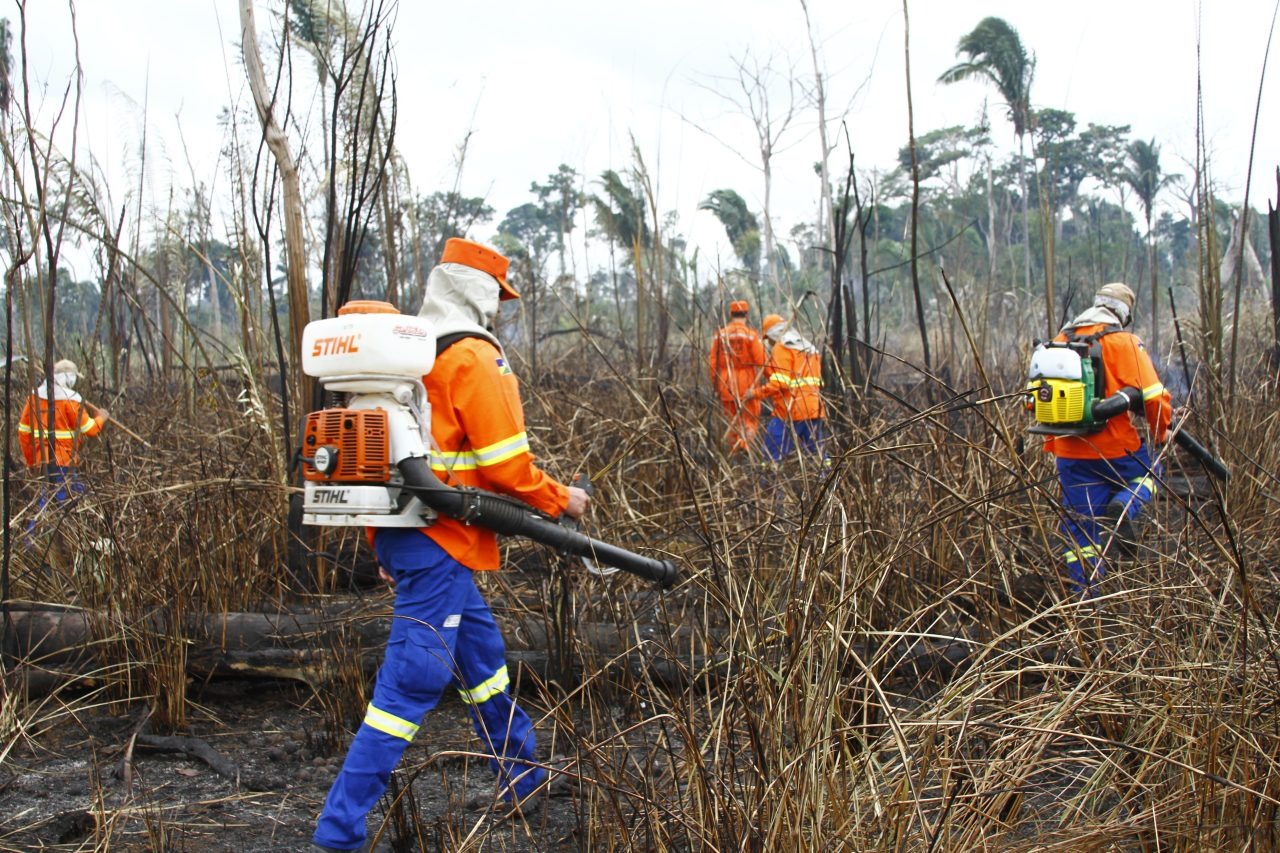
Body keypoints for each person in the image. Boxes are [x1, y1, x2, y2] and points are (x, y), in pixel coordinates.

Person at [313, 238, 590, 853]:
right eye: (499, 294)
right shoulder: (470, 355)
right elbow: (505, 467)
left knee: (483, 660)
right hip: (444, 540)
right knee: (410, 685)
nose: (501, 308)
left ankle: (521, 774)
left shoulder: (407, 359)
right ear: (481, 291)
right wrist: (559, 499)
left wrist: (384, 542)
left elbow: (381, 463)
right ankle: (338, 832)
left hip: (415, 539)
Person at [1041, 282, 1171, 594]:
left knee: (1081, 528)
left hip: (1069, 451)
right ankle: (1124, 506)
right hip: (1115, 448)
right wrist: (1160, 431)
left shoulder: (1058, 340)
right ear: (1124, 313)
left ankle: (1085, 601)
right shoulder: (1124, 341)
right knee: (1152, 473)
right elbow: (1154, 396)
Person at [17, 359, 110, 511]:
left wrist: (32, 461)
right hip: (63, 461)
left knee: (80, 492)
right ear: (70, 378)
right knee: (51, 503)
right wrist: (101, 417)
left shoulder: (34, 398)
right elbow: (91, 429)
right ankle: (34, 534)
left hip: (43, 460)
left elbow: (24, 433)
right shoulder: (70, 400)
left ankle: (85, 522)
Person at [748, 314, 827, 464]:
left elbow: (781, 383)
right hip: (813, 409)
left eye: (768, 339)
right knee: (817, 455)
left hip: (790, 410)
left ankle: (770, 485)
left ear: (773, 334)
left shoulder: (782, 348)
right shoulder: (809, 348)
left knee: (772, 454)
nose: (769, 343)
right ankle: (828, 482)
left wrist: (755, 394)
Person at [708, 299, 766, 453]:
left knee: (731, 420)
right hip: (747, 383)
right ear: (746, 314)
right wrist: (772, 385)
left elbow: (712, 363)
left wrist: (716, 384)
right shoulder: (751, 336)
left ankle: (734, 452)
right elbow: (762, 361)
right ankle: (745, 446)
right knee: (749, 419)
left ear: (731, 314)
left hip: (726, 383)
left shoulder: (719, 335)